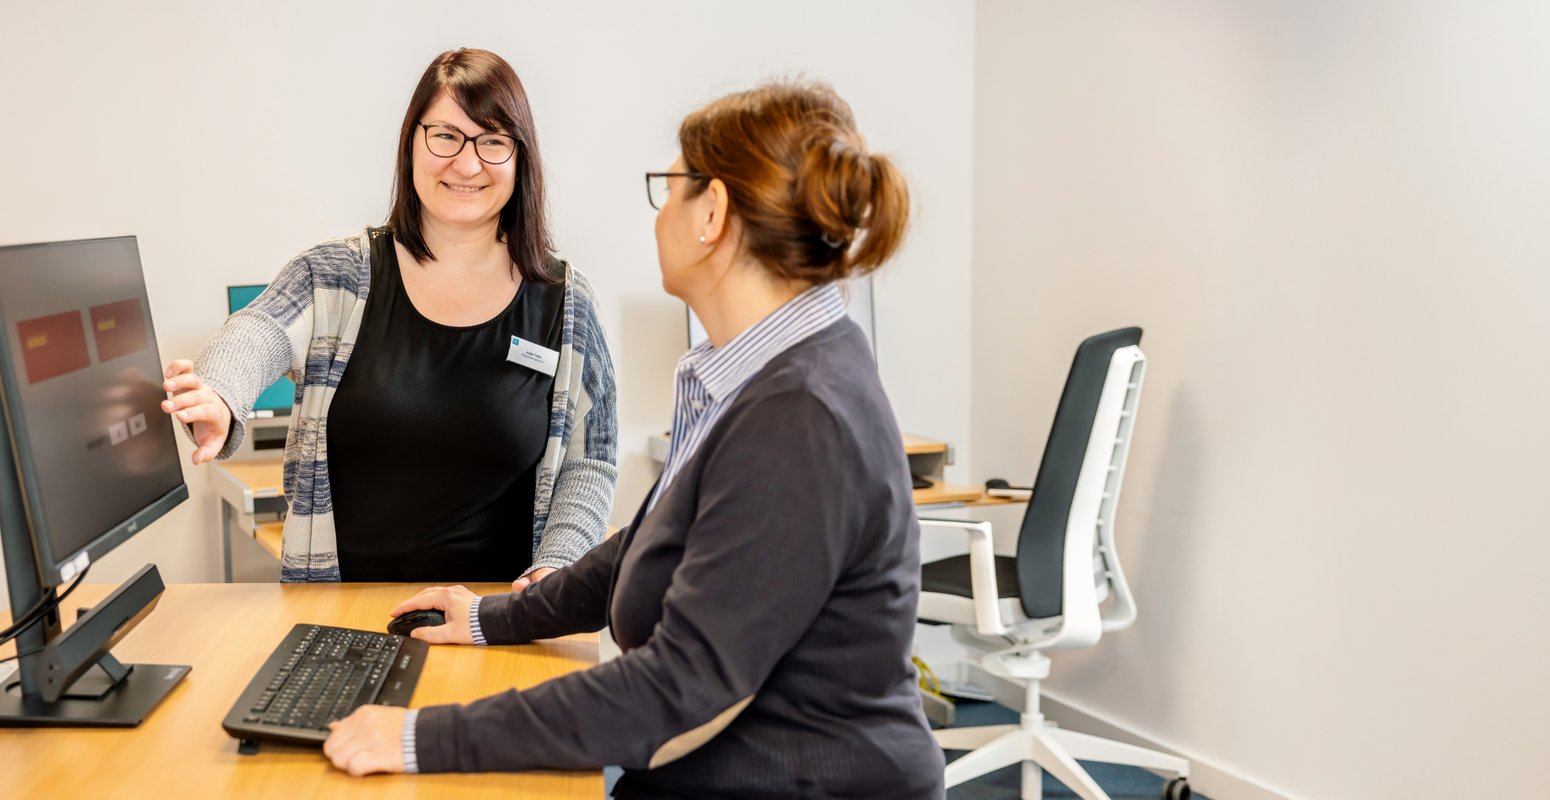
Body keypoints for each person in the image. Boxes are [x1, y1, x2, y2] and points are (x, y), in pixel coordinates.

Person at [323, 80, 945, 799]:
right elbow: (655, 541)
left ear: (711, 213)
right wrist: (496, 618)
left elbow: (674, 687)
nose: (659, 219)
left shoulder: (799, 415)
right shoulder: (761, 373)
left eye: (670, 190)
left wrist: (418, 737)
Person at [161, 48, 616, 586]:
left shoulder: (564, 301)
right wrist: (218, 392)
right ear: (412, 142)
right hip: (343, 615)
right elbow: (259, 330)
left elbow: (592, 460)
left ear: (520, 157)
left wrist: (554, 568)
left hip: (495, 619)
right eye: (445, 136)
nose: (467, 164)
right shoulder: (337, 274)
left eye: (492, 142)